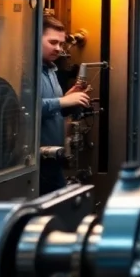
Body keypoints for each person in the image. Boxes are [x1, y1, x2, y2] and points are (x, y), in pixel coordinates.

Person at [39, 15, 90, 194]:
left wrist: (69, 97)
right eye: (53, 42)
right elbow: (24, 110)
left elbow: (53, 109)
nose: (58, 49)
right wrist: (62, 101)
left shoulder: (51, 70)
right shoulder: (27, 71)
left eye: (61, 44)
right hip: (37, 161)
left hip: (53, 159)